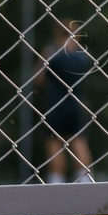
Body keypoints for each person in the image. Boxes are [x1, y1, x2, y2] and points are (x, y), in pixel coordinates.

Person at [40, 18, 94, 183]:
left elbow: (39, 79)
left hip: (56, 105)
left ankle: (57, 181)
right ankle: (85, 179)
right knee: (79, 141)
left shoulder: (52, 54)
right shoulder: (82, 56)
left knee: (54, 143)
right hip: (77, 104)